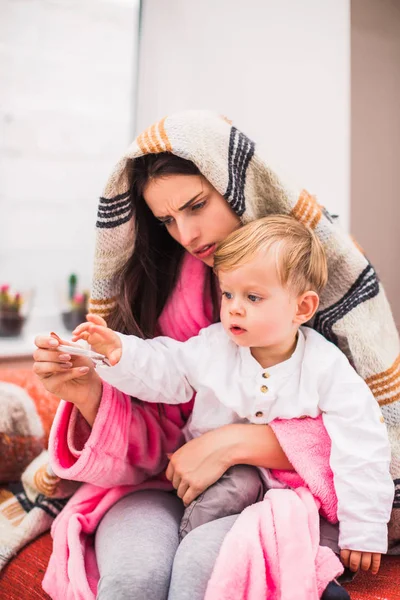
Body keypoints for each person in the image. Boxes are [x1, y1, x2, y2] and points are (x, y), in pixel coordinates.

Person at [32, 111, 399, 600]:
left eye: (196, 205)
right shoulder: (193, 321)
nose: (185, 234)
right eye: (166, 219)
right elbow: (164, 371)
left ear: (236, 185)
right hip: (163, 485)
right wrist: (95, 386)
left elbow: (370, 430)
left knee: (203, 569)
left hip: (275, 493)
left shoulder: (320, 320)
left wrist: (239, 442)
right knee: (136, 579)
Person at [70, 214, 393, 569]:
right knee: (230, 490)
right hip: (223, 478)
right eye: (228, 293)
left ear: (302, 308)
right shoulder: (214, 346)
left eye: (253, 297)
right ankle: (191, 552)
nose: (234, 307)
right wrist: (121, 353)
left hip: (292, 493)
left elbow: (362, 442)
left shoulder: (326, 367)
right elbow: (167, 367)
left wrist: (364, 530)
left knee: (321, 534)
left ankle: (311, 572)